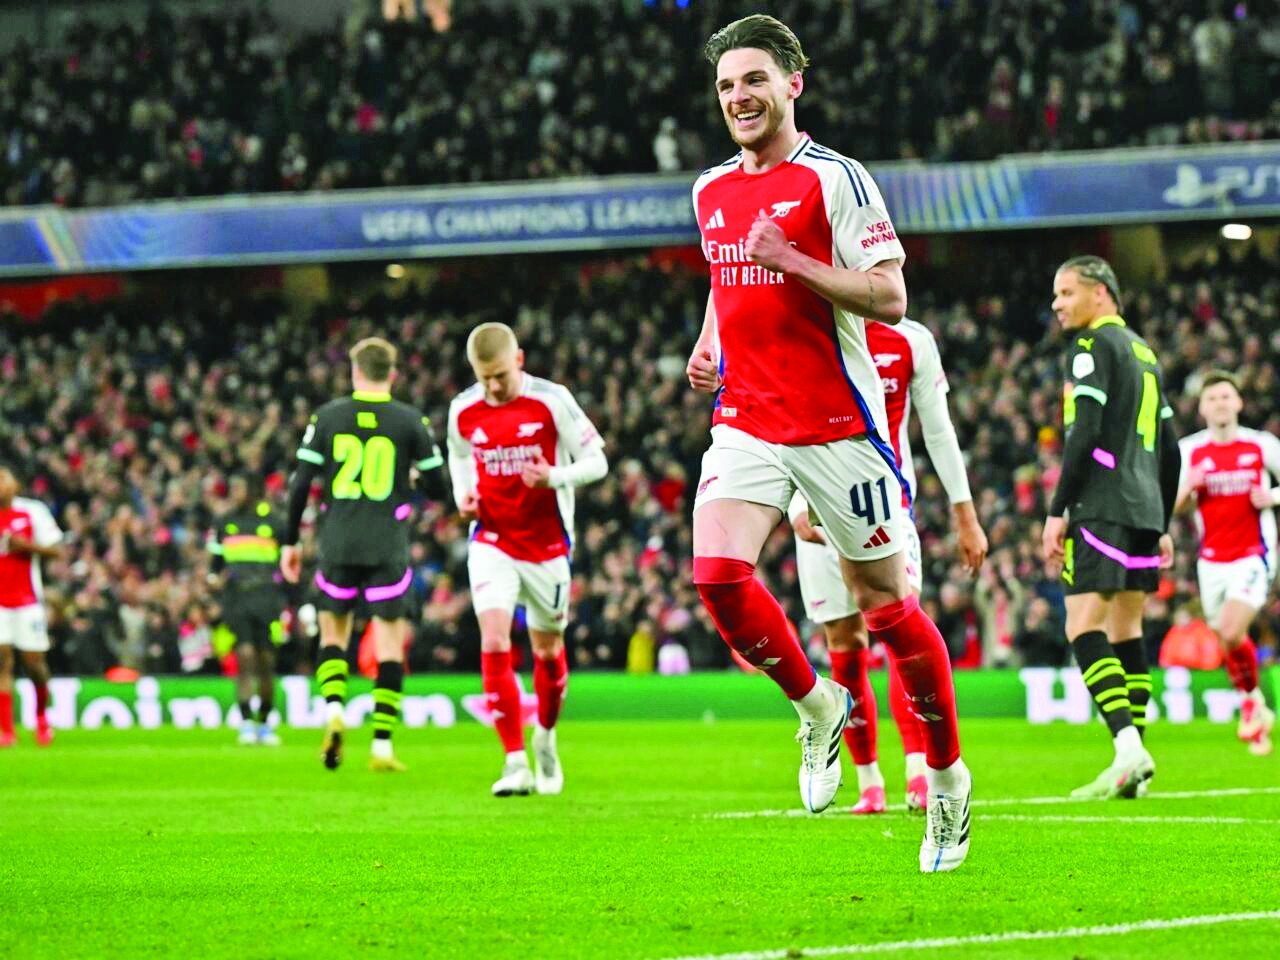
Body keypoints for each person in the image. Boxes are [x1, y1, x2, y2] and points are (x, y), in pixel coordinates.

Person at [687, 14, 971, 872]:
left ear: (792, 84)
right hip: (746, 417)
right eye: (727, 84)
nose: (738, 96)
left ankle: (949, 786)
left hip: (839, 426)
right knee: (717, 576)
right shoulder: (709, 188)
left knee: (887, 611)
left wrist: (795, 263)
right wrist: (711, 340)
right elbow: (723, 275)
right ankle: (818, 709)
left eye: (753, 81)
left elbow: (889, 299)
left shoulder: (836, 181)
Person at [788, 317, 988, 815]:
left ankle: (919, 770)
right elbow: (780, 422)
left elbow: (938, 431)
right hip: (815, 510)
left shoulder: (911, 340)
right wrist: (793, 506)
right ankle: (868, 780)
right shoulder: (804, 325)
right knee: (845, 645)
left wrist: (965, 514)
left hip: (887, 508)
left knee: (899, 629)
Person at [447, 322, 608, 797]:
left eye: (499, 375)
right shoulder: (463, 410)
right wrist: (464, 493)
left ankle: (546, 737)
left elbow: (598, 462)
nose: (493, 387)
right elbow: (458, 457)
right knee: (494, 638)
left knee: (547, 653)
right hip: (492, 539)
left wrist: (554, 476)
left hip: (547, 545)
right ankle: (514, 760)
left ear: (518, 360)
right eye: (484, 378)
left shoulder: (551, 400)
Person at [1041, 256, 1181, 800]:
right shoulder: (1145, 353)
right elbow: (1169, 449)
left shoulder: (1092, 347)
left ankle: (1126, 748)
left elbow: (1085, 432)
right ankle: (1134, 772)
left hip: (1102, 505)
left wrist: (1059, 509)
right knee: (1127, 631)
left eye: (1066, 292)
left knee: (1083, 628)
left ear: (1101, 293)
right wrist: (1163, 520)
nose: (1058, 304)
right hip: (1145, 510)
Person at [281, 337, 446, 773]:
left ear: (354, 372)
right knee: (389, 644)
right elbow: (440, 488)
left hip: (337, 540)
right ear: (392, 374)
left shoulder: (329, 417)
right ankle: (382, 747)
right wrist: (412, 478)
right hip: (387, 542)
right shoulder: (411, 421)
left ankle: (334, 709)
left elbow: (300, 485)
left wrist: (290, 542)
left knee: (334, 636)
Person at [1175, 370, 1279, 755]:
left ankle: (1251, 704)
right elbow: (1175, 506)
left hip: (1254, 553)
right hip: (1211, 560)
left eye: (1226, 396)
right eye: (1212, 398)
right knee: (1225, 638)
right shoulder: (1191, 451)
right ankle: (1255, 705)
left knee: (1233, 631)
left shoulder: (1261, 445)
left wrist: (1272, 498)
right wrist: (1190, 487)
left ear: (1239, 402)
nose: (1220, 403)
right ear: (1202, 408)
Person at [208, 475, 287, 746]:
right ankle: (245, 721)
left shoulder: (274, 522)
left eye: (239, 486)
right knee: (244, 656)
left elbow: (289, 563)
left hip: (267, 596)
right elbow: (215, 563)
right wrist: (213, 581)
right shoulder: (224, 523)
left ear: (253, 490)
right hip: (237, 596)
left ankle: (264, 722)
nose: (234, 491)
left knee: (266, 662)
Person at [0, 467, 64, 747]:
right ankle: (6, 731)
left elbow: (56, 549)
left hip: (27, 600)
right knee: (3, 664)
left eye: (4, 478)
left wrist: (26, 546)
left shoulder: (32, 511)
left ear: (15, 484)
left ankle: (41, 719)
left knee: (34, 664)